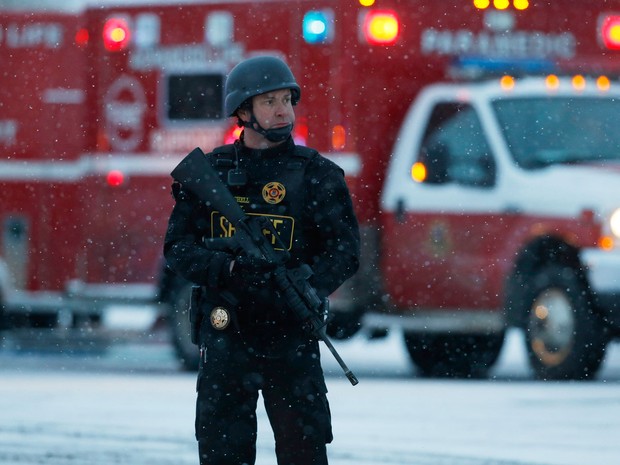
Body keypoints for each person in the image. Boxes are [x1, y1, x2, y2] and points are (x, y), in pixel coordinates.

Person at [163, 55, 360, 465]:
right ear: (243, 111)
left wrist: (306, 284)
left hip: (290, 335)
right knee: (223, 451)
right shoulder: (211, 173)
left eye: (287, 100)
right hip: (226, 333)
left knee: (303, 452)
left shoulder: (318, 176)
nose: (282, 110)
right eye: (269, 101)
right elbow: (178, 248)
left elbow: (345, 252)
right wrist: (229, 269)